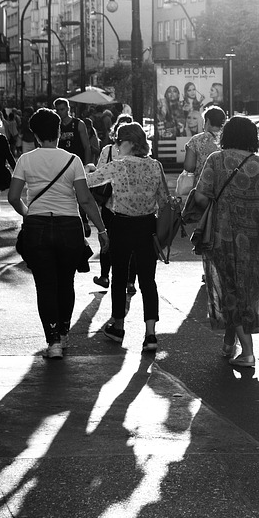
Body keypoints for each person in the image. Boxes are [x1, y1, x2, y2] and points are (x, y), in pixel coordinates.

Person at [8, 107, 108, 359]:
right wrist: (102, 229)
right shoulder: (72, 160)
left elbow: (13, 196)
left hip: (38, 226)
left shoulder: (25, 160)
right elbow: (85, 199)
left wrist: (28, 213)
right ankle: (64, 333)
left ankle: (52, 342)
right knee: (66, 282)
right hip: (68, 227)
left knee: (45, 286)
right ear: (59, 131)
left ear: (35, 134)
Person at [189, 115, 259, 369]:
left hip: (222, 237)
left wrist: (217, 206)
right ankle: (230, 341)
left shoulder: (216, 160)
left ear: (226, 135)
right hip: (255, 238)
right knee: (248, 290)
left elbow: (200, 197)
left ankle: (248, 352)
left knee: (229, 290)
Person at [84, 122, 170, 352]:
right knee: (148, 281)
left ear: (130, 142)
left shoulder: (117, 166)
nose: (116, 145)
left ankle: (118, 326)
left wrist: (88, 168)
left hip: (121, 223)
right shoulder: (155, 166)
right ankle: (150, 334)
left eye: (119, 141)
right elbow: (164, 200)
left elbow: (89, 181)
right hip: (147, 225)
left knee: (119, 276)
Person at [91, 115, 136, 293]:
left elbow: (99, 174)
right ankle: (130, 281)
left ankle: (104, 276)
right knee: (132, 245)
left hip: (110, 204)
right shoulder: (139, 150)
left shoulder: (108, 150)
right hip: (134, 205)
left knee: (107, 238)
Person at [182, 105, 226, 187]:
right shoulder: (228, 139)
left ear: (207, 121)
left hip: (201, 189)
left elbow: (189, 166)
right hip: (223, 189)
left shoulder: (196, 140)